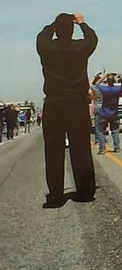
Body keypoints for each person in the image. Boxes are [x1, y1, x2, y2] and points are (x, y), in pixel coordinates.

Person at [36, 12, 98, 207]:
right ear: (72, 31)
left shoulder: (46, 47)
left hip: (54, 103)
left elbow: (42, 36)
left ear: (56, 30)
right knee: (81, 148)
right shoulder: (80, 47)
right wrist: (82, 22)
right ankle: (85, 191)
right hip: (77, 103)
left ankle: (55, 196)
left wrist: (55, 23)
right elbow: (92, 38)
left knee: (53, 150)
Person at [93, 73, 122, 154]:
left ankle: (102, 148)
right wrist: (119, 76)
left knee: (100, 130)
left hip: (104, 113)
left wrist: (104, 76)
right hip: (114, 113)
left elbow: (96, 83)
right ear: (114, 81)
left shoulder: (104, 89)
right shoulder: (117, 89)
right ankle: (117, 147)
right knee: (115, 130)